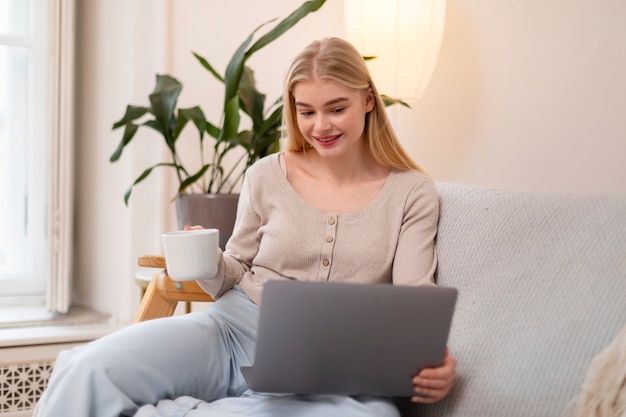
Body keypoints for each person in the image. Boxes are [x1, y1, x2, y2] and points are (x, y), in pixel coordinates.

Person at [34, 36, 457, 417]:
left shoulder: (412, 192)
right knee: (88, 369)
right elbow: (235, 267)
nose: (320, 126)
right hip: (233, 332)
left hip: (338, 369)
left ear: (368, 100)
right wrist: (208, 260)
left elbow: (416, 301)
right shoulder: (266, 175)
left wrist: (436, 362)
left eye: (336, 108)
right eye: (305, 111)